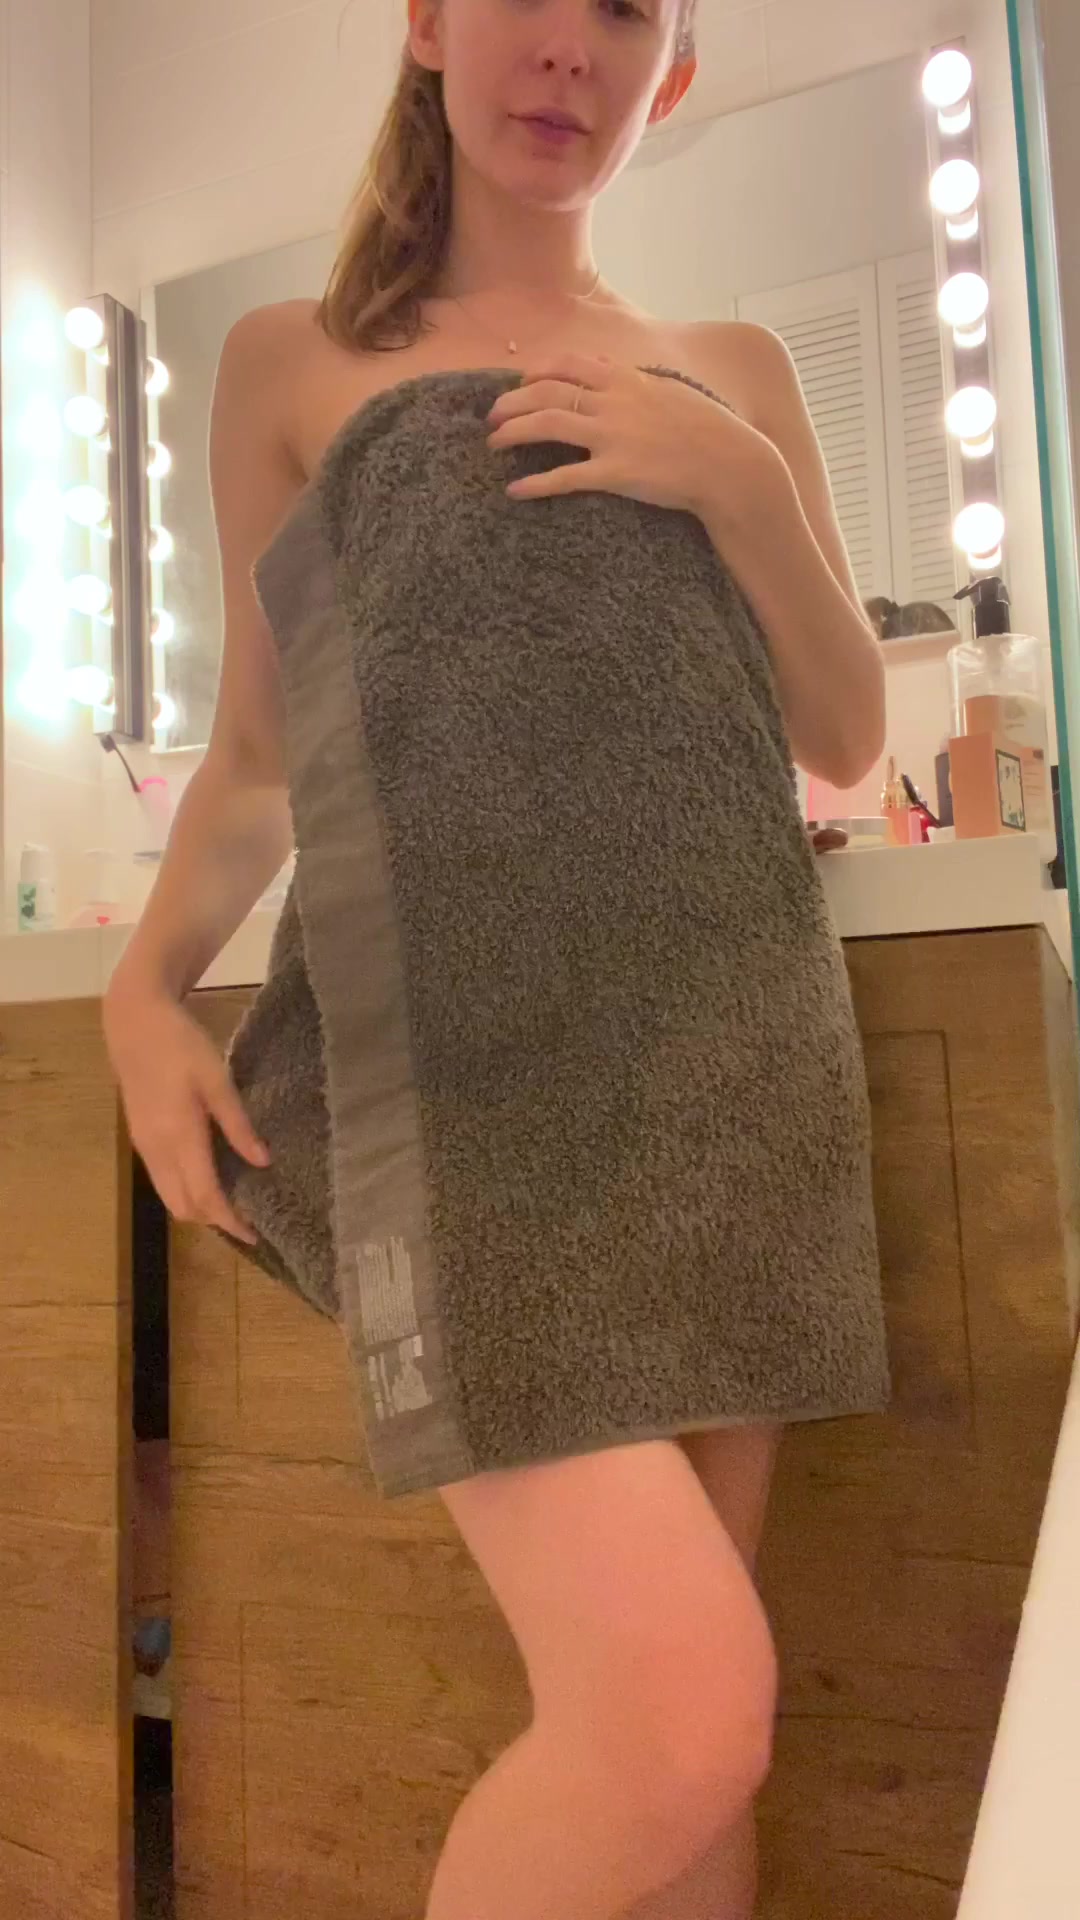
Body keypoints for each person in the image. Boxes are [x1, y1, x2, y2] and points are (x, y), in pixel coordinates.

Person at [103, 3, 891, 1916]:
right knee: (679, 1721)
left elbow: (849, 732)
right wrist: (142, 992)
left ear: (671, 76)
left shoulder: (732, 373)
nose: (569, 49)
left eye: (627, 10)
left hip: (731, 1078)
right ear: (431, 22)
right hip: (469, 1107)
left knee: (692, 1784)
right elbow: (261, 761)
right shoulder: (287, 362)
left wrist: (737, 481)